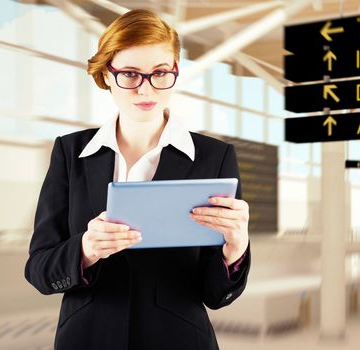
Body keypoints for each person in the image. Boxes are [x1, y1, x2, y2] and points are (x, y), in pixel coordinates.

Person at [24, 9, 250, 350]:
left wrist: (236, 249)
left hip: (179, 340)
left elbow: (216, 295)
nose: (146, 89)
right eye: (130, 74)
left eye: (160, 73)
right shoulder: (71, 153)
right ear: (106, 74)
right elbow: (39, 270)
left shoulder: (214, 157)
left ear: (175, 71)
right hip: (87, 339)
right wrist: (85, 250)